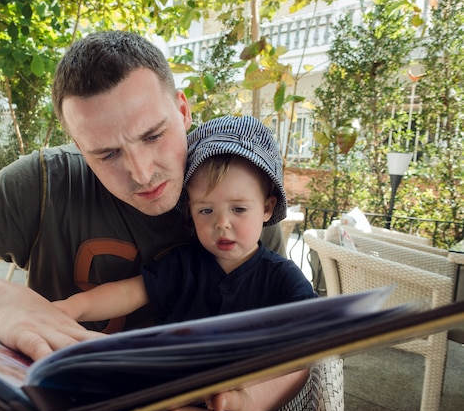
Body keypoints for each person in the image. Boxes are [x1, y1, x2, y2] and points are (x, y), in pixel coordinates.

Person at [0, 31, 301, 411]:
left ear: (182, 112)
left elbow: (296, 340)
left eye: (154, 135)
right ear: (78, 147)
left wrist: (253, 401)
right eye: (106, 154)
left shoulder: (237, 201)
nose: (142, 172)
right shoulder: (48, 181)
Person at [54, 115, 317, 326]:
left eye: (238, 209)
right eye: (206, 211)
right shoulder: (183, 266)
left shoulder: (282, 278)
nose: (222, 223)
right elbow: (127, 293)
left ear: (267, 208)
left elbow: (317, 326)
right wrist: (74, 308)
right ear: (190, 210)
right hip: (176, 382)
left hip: (249, 384)